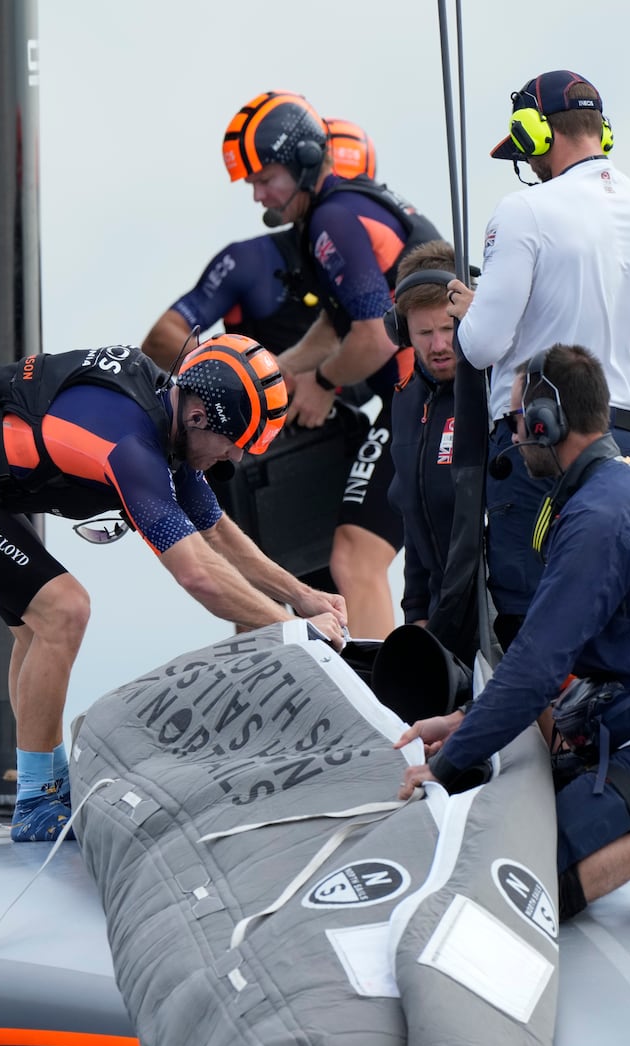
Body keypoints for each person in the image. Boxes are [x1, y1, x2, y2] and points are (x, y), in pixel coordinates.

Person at [0, 336, 349, 841]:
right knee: (64, 610)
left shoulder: (170, 420)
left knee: (38, 630)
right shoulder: (132, 446)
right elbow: (196, 573)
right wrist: (294, 629)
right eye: (236, 440)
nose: (234, 456)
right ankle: (39, 802)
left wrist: (301, 595)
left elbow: (216, 531)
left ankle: (43, 787)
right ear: (199, 417)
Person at [396, 345, 630, 927]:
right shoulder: (610, 489)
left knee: (529, 884)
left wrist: (443, 767)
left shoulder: (600, 517)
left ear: (547, 423)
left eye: (518, 420)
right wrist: (465, 723)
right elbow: (546, 657)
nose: (514, 434)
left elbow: (537, 666)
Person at [446, 70, 630, 647]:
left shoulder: (524, 210)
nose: (527, 167)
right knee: (614, 623)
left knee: (536, 628)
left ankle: (558, 741)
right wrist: (602, 355)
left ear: (534, 134)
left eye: (525, 153)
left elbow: (480, 345)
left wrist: (470, 310)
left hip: (542, 452)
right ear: (600, 132)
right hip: (628, 450)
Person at [223, 91, 445, 639]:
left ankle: (377, 712)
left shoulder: (332, 220)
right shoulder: (341, 206)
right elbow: (339, 321)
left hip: (425, 401)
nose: (258, 196)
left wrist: (321, 383)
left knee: (354, 558)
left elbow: (371, 339)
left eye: (265, 177)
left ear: (301, 161)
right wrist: (276, 368)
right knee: (411, 567)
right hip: (429, 399)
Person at [141, 117, 379, 592]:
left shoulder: (367, 266)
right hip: (251, 465)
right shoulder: (250, 261)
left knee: (345, 590)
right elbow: (162, 337)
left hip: (326, 462)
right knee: (255, 606)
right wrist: (251, 379)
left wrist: (327, 386)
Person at [383, 241, 461, 627]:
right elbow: (414, 518)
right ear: (402, 332)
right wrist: (415, 614)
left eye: (448, 328)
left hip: (500, 614)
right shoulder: (405, 403)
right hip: (435, 618)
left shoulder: (496, 394)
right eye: (424, 332)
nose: (439, 345)